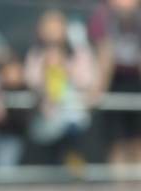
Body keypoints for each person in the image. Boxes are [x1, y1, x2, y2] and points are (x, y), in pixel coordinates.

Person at [88, 0, 141, 167]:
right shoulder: (103, 15)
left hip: (138, 83)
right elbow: (104, 54)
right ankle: (120, 190)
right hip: (114, 83)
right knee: (117, 143)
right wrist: (98, 90)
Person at [24, 9, 97, 173]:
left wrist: (66, 67)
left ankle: (76, 181)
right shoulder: (36, 54)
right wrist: (45, 68)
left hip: (74, 113)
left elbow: (88, 80)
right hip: (48, 113)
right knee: (52, 156)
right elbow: (31, 81)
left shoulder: (79, 52)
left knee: (72, 151)